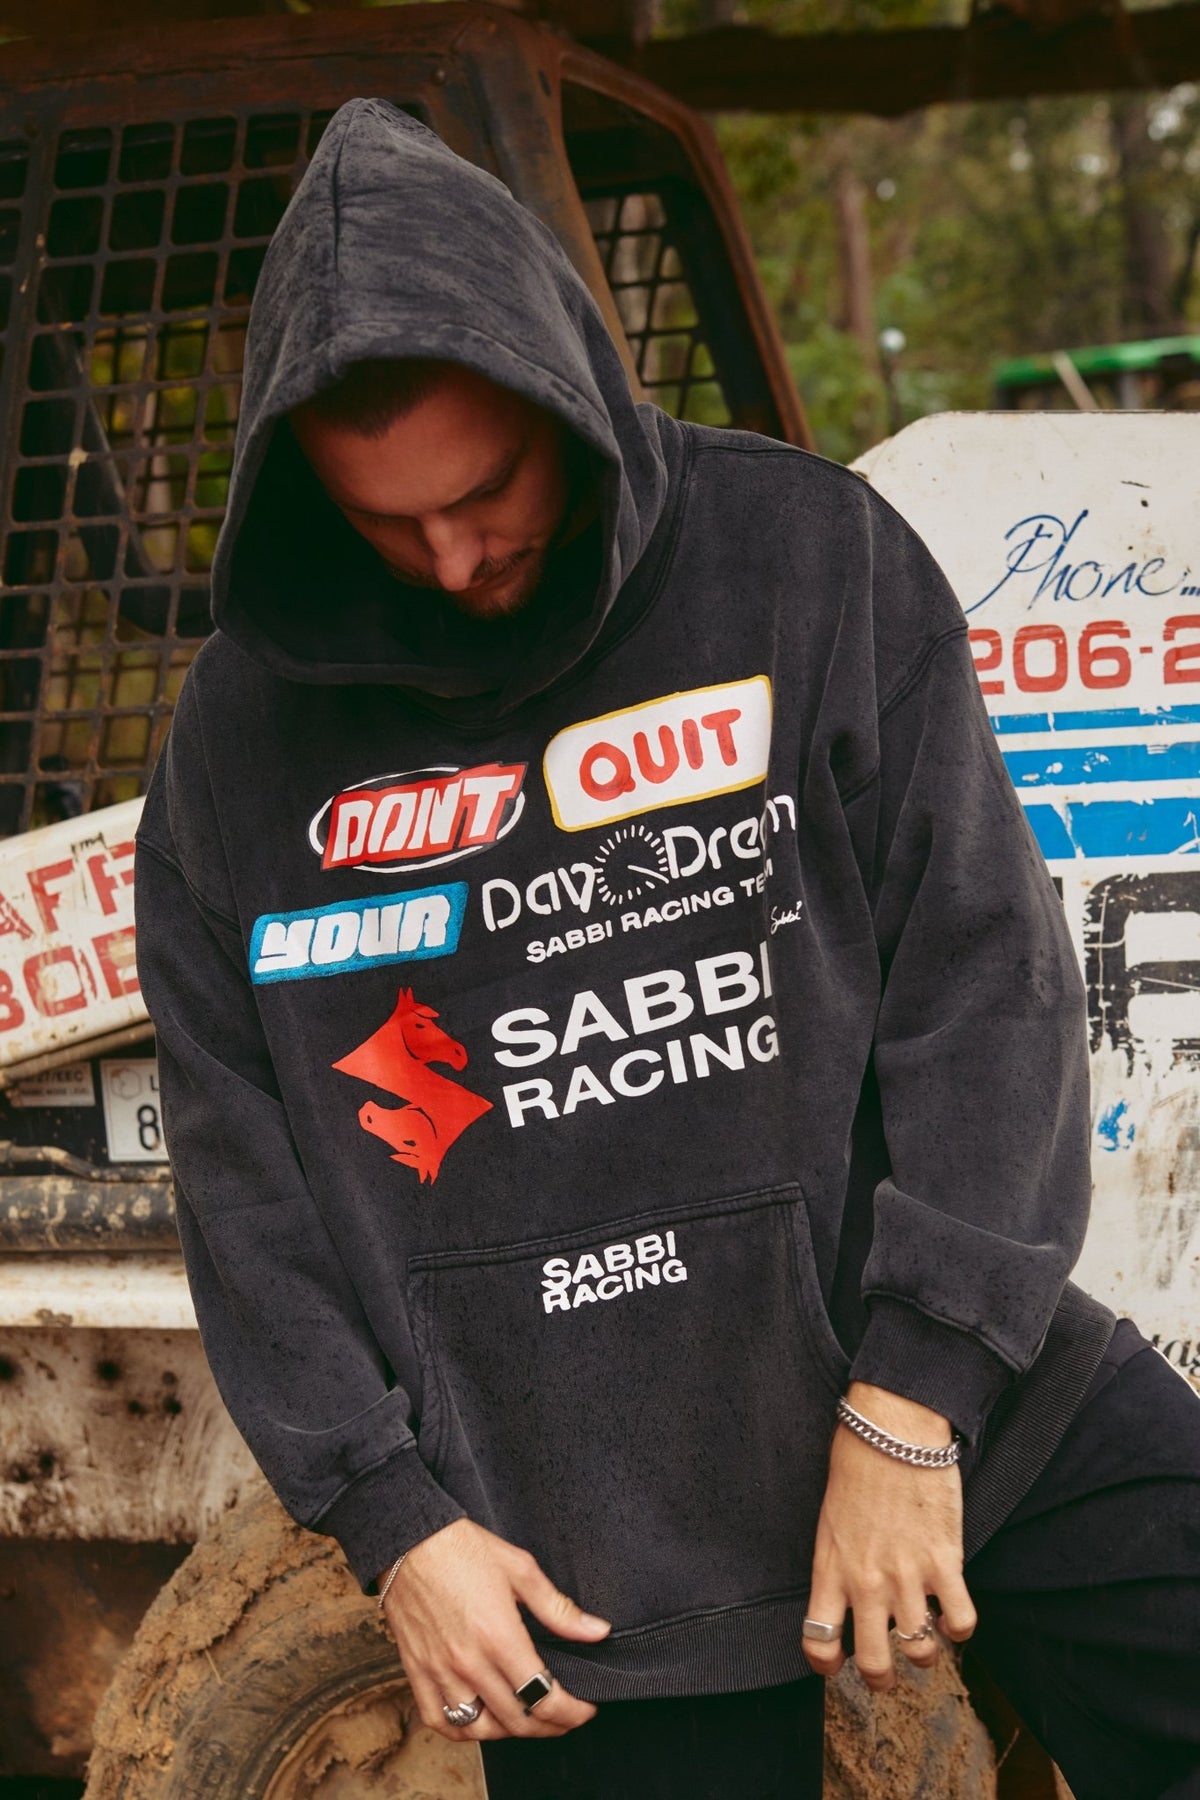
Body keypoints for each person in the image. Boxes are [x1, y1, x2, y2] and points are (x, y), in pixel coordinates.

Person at [132, 97, 1200, 1800]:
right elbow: (244, 1189)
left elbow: (983, 986)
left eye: (487, 491)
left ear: (565, 388)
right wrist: (395, 1526)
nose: (456, 559)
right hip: (584, 1551)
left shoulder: (805, 563)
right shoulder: (238, 753)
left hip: (930, 1403)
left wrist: (914, 1400)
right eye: (389, 525)